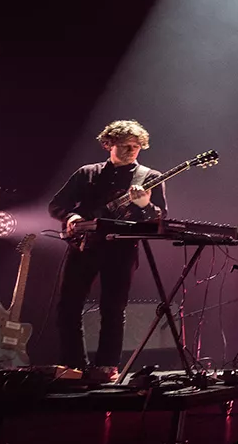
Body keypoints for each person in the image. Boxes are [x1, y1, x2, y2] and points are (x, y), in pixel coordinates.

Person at [48, 120, 168, 379]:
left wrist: (145, 205)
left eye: (136, 146)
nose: (131, 151)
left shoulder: (149, 177)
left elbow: (159, 219)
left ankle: (107, 366)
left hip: (121, 249)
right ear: (108, 144)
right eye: (125, 146)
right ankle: (73, 365)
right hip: (83, 246)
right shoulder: (87, 173)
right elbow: (56, 205)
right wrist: (71, 216)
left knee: (113, 308)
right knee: (68, 306)